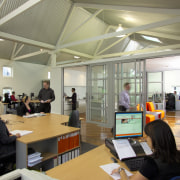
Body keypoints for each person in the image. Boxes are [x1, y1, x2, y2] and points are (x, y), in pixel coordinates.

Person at [111, 120, 180, 180]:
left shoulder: (151, 163)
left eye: (147, 136)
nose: (146, 139)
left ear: (153, 139)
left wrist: (121, 170)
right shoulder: (178, 155)